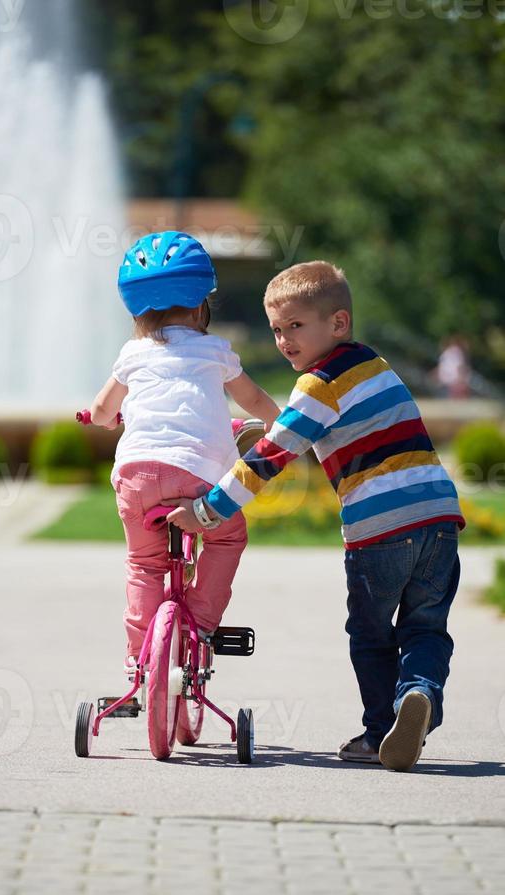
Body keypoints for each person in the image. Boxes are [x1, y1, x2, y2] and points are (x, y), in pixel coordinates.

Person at [166, 261, 465, 772]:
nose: (283, 340)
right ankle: (419, 695)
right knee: (426, 629)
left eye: (296, 327)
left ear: (338, 324)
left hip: (379, 531)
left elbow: (270, 457)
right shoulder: (374, 365)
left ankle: (378, 734)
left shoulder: (317, 384)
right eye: (276, 329)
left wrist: (208, 510)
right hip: (438, 518)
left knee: (371, 635)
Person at [89, 230, 280, 674]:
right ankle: (201, 625)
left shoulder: (132, 353)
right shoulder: (215, 351)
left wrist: (104, 419)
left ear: (136, 310)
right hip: (196, 474)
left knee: (144, 564)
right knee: (227, 536)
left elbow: (102, 411)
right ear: (200, 306)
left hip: (136, 474)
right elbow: (252, 401)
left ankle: (139, 662)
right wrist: (276, 423)